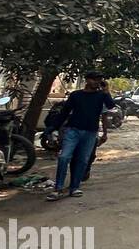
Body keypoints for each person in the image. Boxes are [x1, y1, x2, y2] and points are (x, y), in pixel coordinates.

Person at [47, 72, 115, 201]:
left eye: (99, 80)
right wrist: (53, 127)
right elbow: (64, 112)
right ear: (87, 80)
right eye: (94, 79)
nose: (96, 82)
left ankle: (74, 187)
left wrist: (106, 91)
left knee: (82, 160)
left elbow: (110, 106)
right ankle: (58, 188)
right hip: (73, 130)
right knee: (64, 157)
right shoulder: (76, 95)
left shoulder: (101, 96)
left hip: (90, 132)